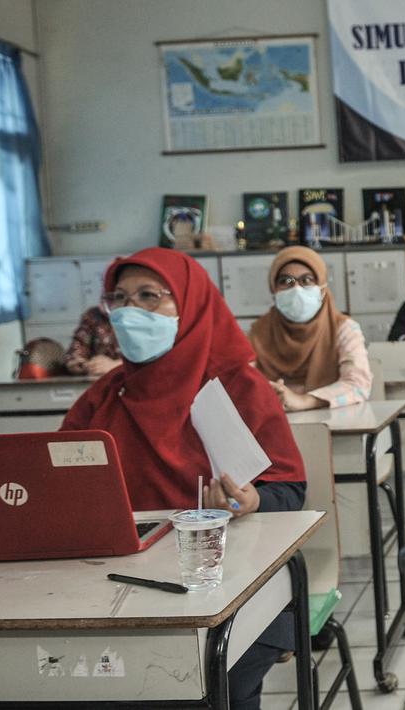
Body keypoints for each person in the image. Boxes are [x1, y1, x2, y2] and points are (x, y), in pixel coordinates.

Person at [60, 248, 306, 710]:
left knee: (197, 691)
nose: (132, 311)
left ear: (191, 305)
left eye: (150, 296)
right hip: (116, 584)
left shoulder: (237, 387)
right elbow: (57, 482)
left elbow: (291, 490)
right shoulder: (106, 395)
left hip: (232, 583)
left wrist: (251, 502)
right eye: (121, 298)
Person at [249, 246, 372, 412]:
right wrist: (271, 394)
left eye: (306, 280)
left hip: (334, 423)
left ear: (322, 288)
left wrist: (304, 401)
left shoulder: (344, 329)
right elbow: (243, 382)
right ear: (274, 289)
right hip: (273, 421)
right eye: (285, 281)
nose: (296, 289)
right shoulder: (258, 333)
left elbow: (358, 385)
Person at [63, 306, 122, 375]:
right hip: (99, 380)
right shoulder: (93, 315)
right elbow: (75, 350)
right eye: (107, 297)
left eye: (119, 297)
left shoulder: (135, 316)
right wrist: (84, 365)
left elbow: (137, 363)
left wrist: (114, 365)